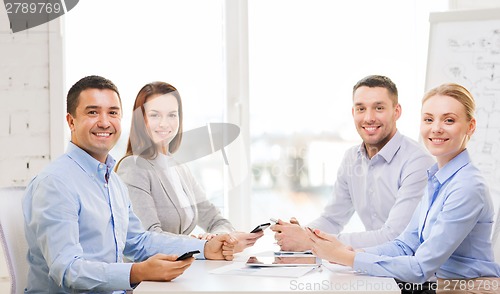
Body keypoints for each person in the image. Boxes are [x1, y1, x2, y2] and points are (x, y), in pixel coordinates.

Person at [22, 76, 236, 293]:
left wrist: (205, 248)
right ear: (71, 121)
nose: (105, 122)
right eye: (92, 112)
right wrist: (138, 272)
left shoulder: (112, 181)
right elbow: (68, 270)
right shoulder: (56, 183)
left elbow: (139, 241)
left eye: (113, 112)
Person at [307, 83, 500, 293]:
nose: (436, 128)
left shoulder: (467, 186)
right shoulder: (437, 179)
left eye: (449, 120)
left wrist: (347, 257)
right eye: (428, 119)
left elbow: (419, 268)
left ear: (471, 126)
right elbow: (405, 245)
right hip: (439, 283)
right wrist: (354, 252)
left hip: (469, 288)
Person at [271, 75, 435, 250]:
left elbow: (395, 236)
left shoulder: (417, 162)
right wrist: (301, 233)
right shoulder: (351, 158)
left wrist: (310, 241)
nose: (369, 117)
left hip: (410, 271)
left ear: (397, 112)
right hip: (372, 265)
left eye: (379, 108)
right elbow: (332, 219)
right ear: (353, 113)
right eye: (361, 109)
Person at [116, 81, 263, 253]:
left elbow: (216, 220)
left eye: (172, 115)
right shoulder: (134, 167)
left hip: (179, 272)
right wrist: (204, 246)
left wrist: (219, 237)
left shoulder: (179, 168)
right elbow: (148, 237)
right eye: (155, 115)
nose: (165, 123)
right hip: (149, 276)